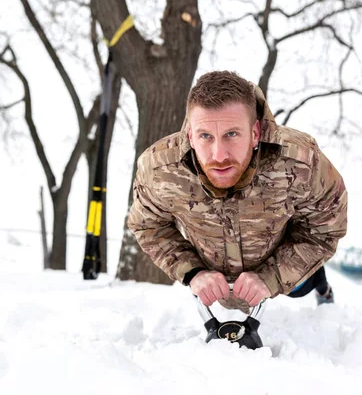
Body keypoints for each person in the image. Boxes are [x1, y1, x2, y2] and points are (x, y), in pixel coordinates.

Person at [127, 71, 347, 312]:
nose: (219, 155)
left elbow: (324, 229)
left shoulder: (303, 161)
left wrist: (271, 277)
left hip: (278, 252)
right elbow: (148, 226)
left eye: (231, 134)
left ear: (255, 133)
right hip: (211, 261)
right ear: (190, 135)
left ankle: (323, 289)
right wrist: (192, 272)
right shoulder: (158, 168)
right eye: (205, 136)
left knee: (303, 286)